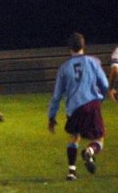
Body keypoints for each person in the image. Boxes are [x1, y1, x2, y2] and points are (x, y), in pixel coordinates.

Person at [47, 33, 109, 181]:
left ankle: (71, 171)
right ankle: (89, 151)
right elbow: (105, 84)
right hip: (92, 104)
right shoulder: (93, 62)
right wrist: (101, 99)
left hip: (74, 108)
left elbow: (57, 95)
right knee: (99, 139)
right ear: (83, 46)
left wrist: (51, 116)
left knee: (74, 137)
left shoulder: (64, 68)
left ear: (69, 48)